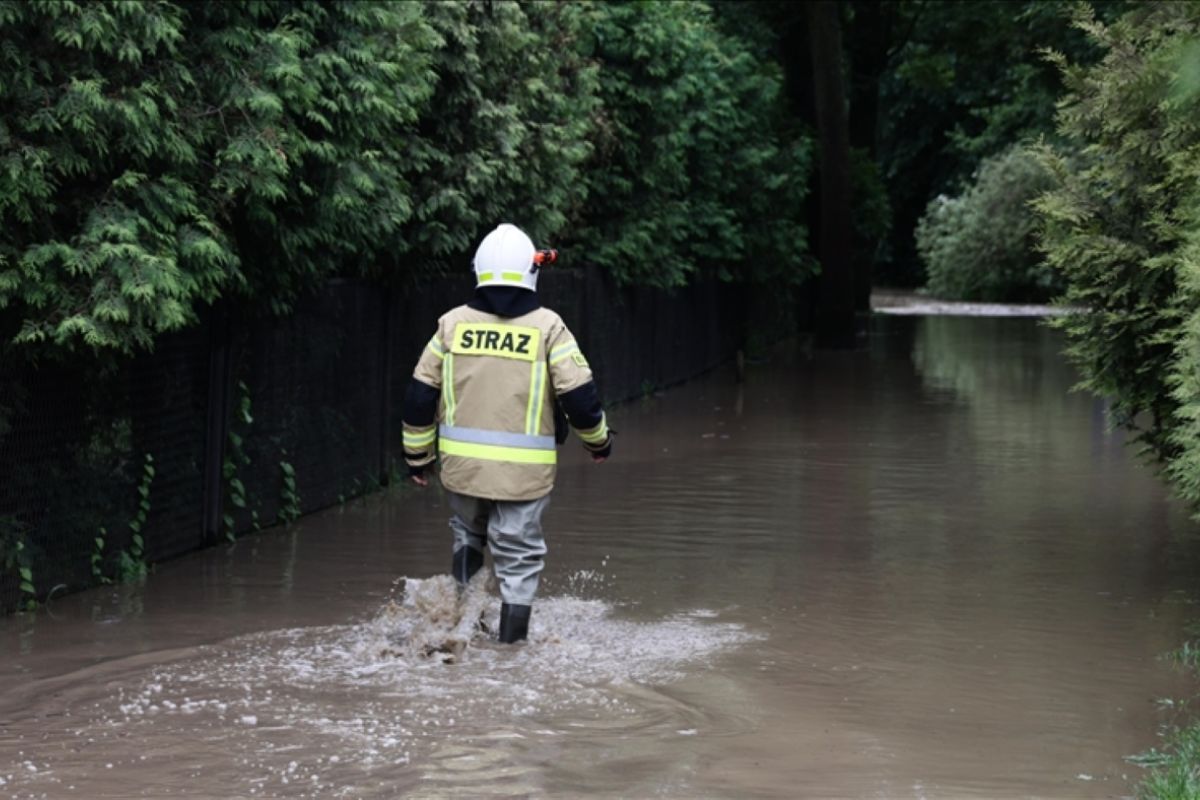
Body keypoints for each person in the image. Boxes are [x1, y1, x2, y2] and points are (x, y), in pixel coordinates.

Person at [401, 223, 613, 643]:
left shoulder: (451, 325)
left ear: (479, 271)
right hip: (524, 477)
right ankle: (511, 651)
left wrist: (418, 457)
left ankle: (460, 625)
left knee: (468, 536)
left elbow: (419, 396)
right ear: (530, 271)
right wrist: (599, 443)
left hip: (464, 471)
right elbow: (580, 398)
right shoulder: (548, 328)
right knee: (518, 557)